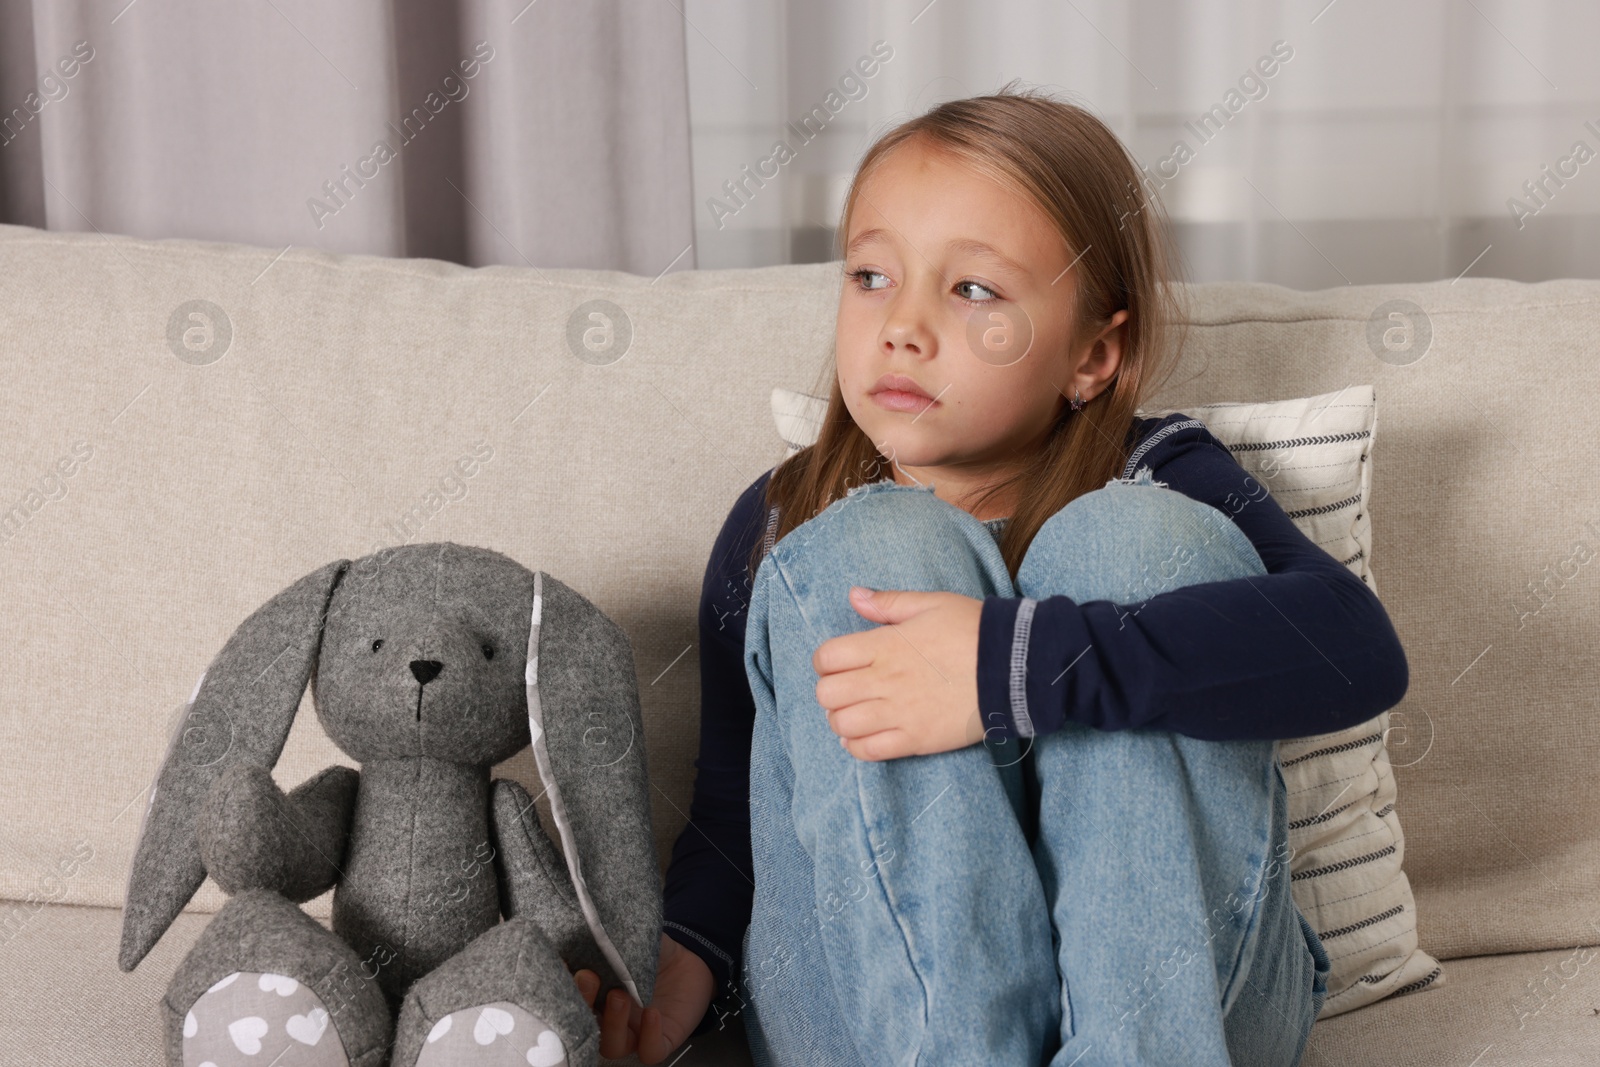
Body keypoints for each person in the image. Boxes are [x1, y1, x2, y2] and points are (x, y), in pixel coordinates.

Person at [572, 84, 1403, 1064]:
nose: (902, 325)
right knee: (864, 553)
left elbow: (1353, 648)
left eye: (972, 290)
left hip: (1182, 1007)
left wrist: (1012, 665)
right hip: (875, 1017)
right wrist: (675, 978)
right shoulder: (782, 524)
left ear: (1093, 355)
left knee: (1133, 543)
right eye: (872, 274)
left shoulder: (1161, 469)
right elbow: (728, 817)